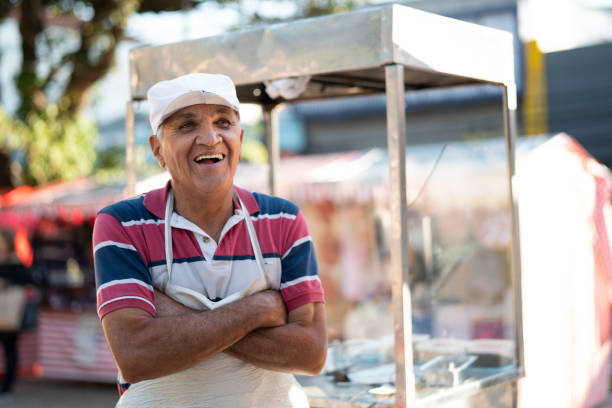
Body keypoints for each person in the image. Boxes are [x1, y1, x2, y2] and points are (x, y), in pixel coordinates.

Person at [93, 73, 327, 407]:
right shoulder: (122, 224)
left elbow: (311, 353)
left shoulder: (283, 220)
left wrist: (177, 315)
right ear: (157, 149)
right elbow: (135, 355)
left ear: (240, 138)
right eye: (187, 125)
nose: (210, 137)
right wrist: (259, 308)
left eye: (223, 122)